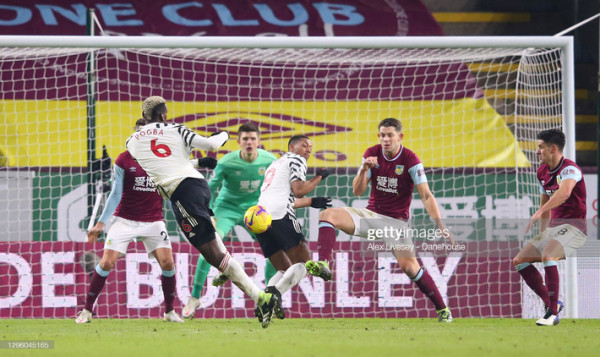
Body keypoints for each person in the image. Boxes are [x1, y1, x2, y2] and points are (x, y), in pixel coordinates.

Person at [126, 96, 277, 328]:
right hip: (196, 187)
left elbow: (157, 164)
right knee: (214, 248)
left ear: (145, 117)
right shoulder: (177, 129)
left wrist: (192, 163)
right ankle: (228, 269)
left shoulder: (132, 142)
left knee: (212, 253)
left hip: (181, 193)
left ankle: (260, 297)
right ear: (164, 115)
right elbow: (213, 146)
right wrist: (225, 135)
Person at [306, 118, 454, 322]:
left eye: (390, 135)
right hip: (371, 216)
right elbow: (357, 191)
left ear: (400, 137)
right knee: (327, 215)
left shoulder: (411, 160)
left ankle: (443, 309)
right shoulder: (372, 153)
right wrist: (365, 169)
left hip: (396, 223)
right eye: (382, 135)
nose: (385, 139)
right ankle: (323, 262)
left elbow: (426, 195)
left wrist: (441, 225)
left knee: (410, 268)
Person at [77, 118, 183, 323]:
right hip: (124, 220)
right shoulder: (123, 159)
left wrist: (182, 215)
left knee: (168, 263)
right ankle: (87, 310)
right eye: (140, 133)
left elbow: (170, 191)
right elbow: (115, 194)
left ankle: (169, 312)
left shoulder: (162, 159)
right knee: (107, 262)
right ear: (135, 135)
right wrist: (101, 223)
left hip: (153, 220)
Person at [182, 123, 278, 319]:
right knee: (208, 249)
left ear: (259, 142)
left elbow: (276, 187)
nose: (249, 142)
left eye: (253, 139)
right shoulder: (227, 162)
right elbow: (209, 187)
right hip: (226, 209)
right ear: (239, 142)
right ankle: (194, 298)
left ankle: (269, 296)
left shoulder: (270, 161)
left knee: (275, 249)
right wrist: (209, 214)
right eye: (245, 139)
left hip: (255, 211)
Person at [252, 135, 333, 321]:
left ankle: (266, 298)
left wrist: (312, 201)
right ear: (291, 147)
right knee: (305, 264)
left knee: (282, 269)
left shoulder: (275, 164)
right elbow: (299, 190)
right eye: (304, 145)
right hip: (281, 216)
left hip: (260, 218)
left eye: (310, 147)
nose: (308, 149)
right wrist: (320, 176)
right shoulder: (296, 159)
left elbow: (283, 197)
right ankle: (273, 298)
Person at [513, 129, 587, 326]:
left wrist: (538, 213)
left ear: (553, 148)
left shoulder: (570, 169)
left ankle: (552, 314)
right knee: (520, 260)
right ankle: (552, 303)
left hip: (575, 228)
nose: (538, 151)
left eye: (541, 147)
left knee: (547, 256)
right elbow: (545, 209)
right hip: (555, 230)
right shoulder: (542, 172)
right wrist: (542, 234)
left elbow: (563, 194)